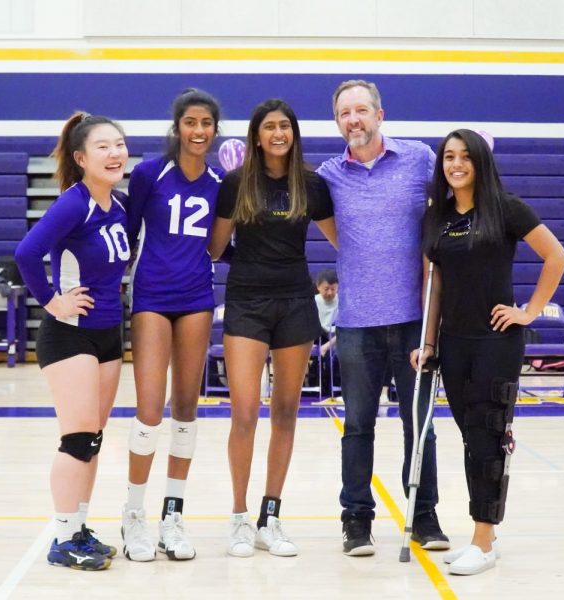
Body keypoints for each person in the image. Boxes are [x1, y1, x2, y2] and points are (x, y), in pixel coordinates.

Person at [412, 129, 564, 575]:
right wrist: (427, 341)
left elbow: (557, 256)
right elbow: (436, 283)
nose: (455, 164)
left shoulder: (506, 208)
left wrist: (529, 312)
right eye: (448, 157)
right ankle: (487, 534)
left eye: (465, 156)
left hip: (496, 343)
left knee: (486, 439)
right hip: (454, 344)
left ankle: (482, 540)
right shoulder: (437, 217)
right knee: (471, 437)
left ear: (480, 162)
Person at [316, 79, 448, 556]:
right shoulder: (329, 174)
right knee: (357, 426)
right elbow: (338, 236)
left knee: (421, 426)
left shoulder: (419, 159)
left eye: (361, 110)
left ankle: (424, 516)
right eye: (344, 114)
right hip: (354, 325)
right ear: (337, 122)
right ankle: (356, 520)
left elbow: (446, 215)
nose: (353, 120)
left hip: (414, 321)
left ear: (379, 114)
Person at [209, 98, 337, 558]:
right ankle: (240, 517)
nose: (278, 133)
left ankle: (271, 516)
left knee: (286, 412)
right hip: (246, 301)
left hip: (296, 303)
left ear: (294, 133)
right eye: (270, 127)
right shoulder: (235, 183)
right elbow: (216, 246)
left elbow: (343, 239)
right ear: (256, 136)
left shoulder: (312, 185)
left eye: (285, 125)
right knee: (244, 411)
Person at [14, 112, 132, 571]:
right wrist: (51, 301)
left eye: (119, 144)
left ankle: (78, 527)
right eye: (103, 146)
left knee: (94, 439)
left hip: (107, 334)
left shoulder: (119, 206)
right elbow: (26, 253)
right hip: (69, 336)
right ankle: (62, 538)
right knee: (77, 438)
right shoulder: (74, 202)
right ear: (81, 158)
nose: (114, 153)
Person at [120, 88, 223, 562]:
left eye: (206, 123)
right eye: (191, 122)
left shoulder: (221, 182)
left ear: (214, 129)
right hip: (152, 297)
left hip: (198, 297)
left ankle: (172, 516)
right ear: (177, 126)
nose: (198, 131)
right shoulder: (148, 174)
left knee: (186, 406)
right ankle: (133, 515)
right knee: (149, 410)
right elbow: (127, 232)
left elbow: (224, 245)